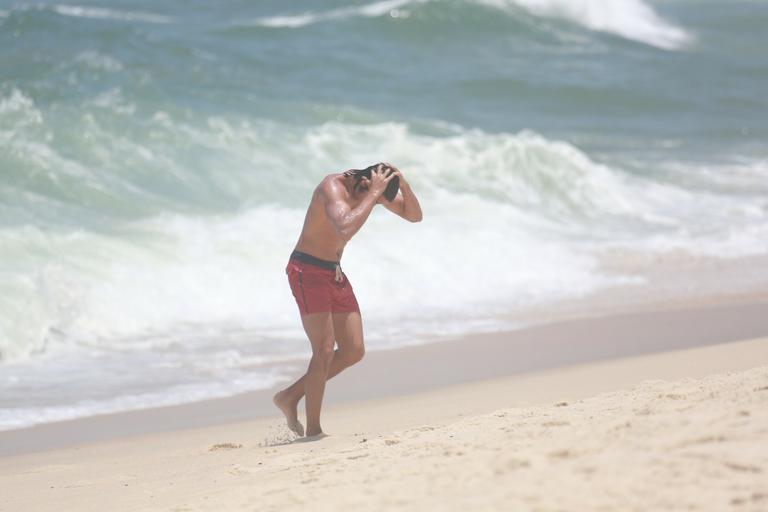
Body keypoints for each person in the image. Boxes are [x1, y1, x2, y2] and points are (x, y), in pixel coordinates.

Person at [273, 162, 423, 439]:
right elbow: (343, 227)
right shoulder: (332, 187)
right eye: (376, 194)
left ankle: (290, 396)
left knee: (353, 350)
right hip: (307, 271)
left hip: (334, 272)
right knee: (325, 350)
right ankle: (314, 430)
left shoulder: (370, 191)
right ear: (364, 182)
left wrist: (402, 185)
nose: (378, 202)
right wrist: (373, 195)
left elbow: (414, 216)